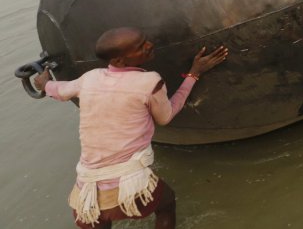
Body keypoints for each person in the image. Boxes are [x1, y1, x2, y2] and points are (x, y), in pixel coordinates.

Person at [32, 27, 228, 229]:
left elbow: (60, 91)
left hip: (87, 189)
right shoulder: (150, 81)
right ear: (118, 61)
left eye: (145, 40)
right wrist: (193, 74)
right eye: (140, 46)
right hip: (129, 185)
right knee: (166, 203)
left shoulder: (90, 78)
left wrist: (45, 84)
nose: (149, 45)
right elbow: (165, 117)